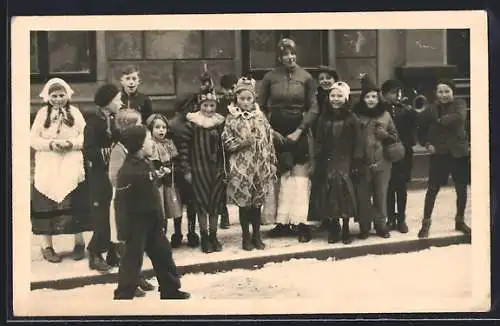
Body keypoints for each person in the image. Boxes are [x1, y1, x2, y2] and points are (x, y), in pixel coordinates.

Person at [113, 125, 190, 300]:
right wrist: (123, 231)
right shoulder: (128, 171)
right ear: (139, 145)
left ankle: (170, 290)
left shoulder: (144, 163)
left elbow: (147, 184)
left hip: (152, 220)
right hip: (135, 223)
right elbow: (121, 202)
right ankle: (123, 295)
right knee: (132, 261)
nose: (151, 143)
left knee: (163, 255)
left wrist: (156, 175)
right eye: (148, 139)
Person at [258, 37, 319, 242]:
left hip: (298, 129)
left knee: (299, 178)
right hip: (276, 129)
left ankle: (301, 222)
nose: (289, 57)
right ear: (279, 56)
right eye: (285, 54)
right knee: (281, 177)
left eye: (292, 53)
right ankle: (282, 222)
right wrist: (270, 130)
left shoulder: (306, 77)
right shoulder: (270, 77)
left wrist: (300, 130)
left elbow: (314, 107)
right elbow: (260, 106)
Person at [30, 78, 91, 263]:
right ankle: (46, 245)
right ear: (47, 97)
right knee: (47, 201)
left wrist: (70, 143)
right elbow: (32, 139)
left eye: (61, 95)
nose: (58, 99)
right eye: (54, 96)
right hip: (48, 164)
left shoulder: (75, 113)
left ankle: (79, 242)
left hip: (70, 162)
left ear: (68, 95)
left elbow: (85, 136)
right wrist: (51, 144)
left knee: (75, 201)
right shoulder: (42, 114)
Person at [221, 77, 278, 250]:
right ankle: (246, 237)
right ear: (236, 99)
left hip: (260, 164)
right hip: (241, 166)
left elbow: (269, 139)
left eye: (249, 99)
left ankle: (257, 236)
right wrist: (242, 143)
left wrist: (271, 161)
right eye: (242, 99)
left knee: (257, 202)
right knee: (244, 202)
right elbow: (226, 141)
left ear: (254, 99)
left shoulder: (260, 117)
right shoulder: (232, 118)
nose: (245, 102)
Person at [416, 79, 471, 238]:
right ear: (435, 93)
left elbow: (458, 117)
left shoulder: (460, 104)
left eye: (447, 91)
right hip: (439, 154)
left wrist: (439, 121)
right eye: (440, 92)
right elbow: (422, 131)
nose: (444, 95)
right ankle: (425, 224)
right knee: (432, 189)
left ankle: (460, 221)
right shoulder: (429, 109)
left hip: (458, 153)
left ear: (453, 92)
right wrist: (427, 144)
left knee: (461, 189)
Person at [108, 108, 154, 296]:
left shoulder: (136, 149)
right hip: (125, 205)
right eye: (137, 125)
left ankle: (138, 276)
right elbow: (114, 177)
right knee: (127, 250)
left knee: (138, 247)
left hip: (137, 205)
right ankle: (129, 283)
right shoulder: (119, 150)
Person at [310, 81, 362, 244]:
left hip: (346, 160)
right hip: (328, 160)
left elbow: (358, 141)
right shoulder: (323, 118)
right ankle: (334, 226)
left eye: (339, 96)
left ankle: (346, 226)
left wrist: (357, 161)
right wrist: (317, 158)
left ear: (346, 98)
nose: (336, 99)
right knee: (330, 191)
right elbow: (318, 140)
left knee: (344, 191)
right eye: (333, 95)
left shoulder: (352, 118)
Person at [180, 90, 227, 253]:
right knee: (201, 203)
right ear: (199, 106)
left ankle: (214, 235)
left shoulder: (220, 123)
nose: (208, 109)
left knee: (215, 203)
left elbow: (225, 147)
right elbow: (184, 148)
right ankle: (205, 236)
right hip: (198, 169)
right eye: (205, 105)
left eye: (212, 105)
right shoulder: (192, 124)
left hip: (216, 169)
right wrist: (186, 169)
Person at [352, 75, 398, 239]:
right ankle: (364, 227)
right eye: (367, 96)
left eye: (373, 96)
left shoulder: (385, 115)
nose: (371, 100)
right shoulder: (356, 115)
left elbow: (395, 136)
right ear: (362, 98)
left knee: (381, 194)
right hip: (362, 162)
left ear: (378, 98)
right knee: (363, 196)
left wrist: (385, 135)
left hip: (382, 162)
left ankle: (381, 225)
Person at [84, 83, 122, 272]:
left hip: (114, 173)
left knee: (114, 215)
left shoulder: (115, 120)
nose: (121, 102)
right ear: (107, 104)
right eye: (118, 100)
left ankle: (113, 252)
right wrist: (112, 153)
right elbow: (89, 150)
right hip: (100, 176)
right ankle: (94, 253)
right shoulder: (93, 124)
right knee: (102, 217)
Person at [381, 79, 417, 233]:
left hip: (404, 154)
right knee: (388, 188)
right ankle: (390, 218)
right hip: (386, 153)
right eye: (393, 92)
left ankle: (401, 219)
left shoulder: (406, 110)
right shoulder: (381, 110)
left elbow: (413, 130)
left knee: (401, 188)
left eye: (399, 92)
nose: (397, 95)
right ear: (384, 94)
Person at [146, 114, 184, 248]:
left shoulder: (169, 143)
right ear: (150, 129)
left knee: (174, 207)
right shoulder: (150, 144)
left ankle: (178, 234)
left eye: (164, 127)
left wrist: (173, 167)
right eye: (157, 127)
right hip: (158, 182)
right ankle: (161, 238)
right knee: (160, 210)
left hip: (171, 181)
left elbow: (175, 159)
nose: (161, 130)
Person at [216, 74, 238, 229]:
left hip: (239, 146)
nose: (230, 92)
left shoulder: (241, 102)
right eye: (226, 89)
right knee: (223, 180)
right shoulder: (219, 104)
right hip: (222, 146)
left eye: (232, 88)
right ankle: (223, 214)